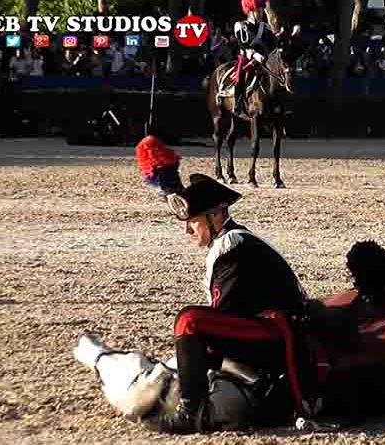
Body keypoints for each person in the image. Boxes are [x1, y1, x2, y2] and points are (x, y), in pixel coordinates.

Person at [135, 136, 313, 433]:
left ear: (217, 215)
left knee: (190, 322)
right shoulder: (231, 242)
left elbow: (221, 319)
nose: (187, 229)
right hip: (270, 330)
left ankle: (189, 413)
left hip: (278, 336)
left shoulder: (231, 245)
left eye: (193, 221)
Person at [231, 0, 278, 116]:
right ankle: (238, 103)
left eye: (262, 10)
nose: (261, 12)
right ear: (250, 11)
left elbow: (272, 44)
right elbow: (242, 44)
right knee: (240, 76)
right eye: (258, 10)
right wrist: (254, 54)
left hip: (264, 59)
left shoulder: (265, 27)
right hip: (247, 58)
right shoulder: (241, 25)